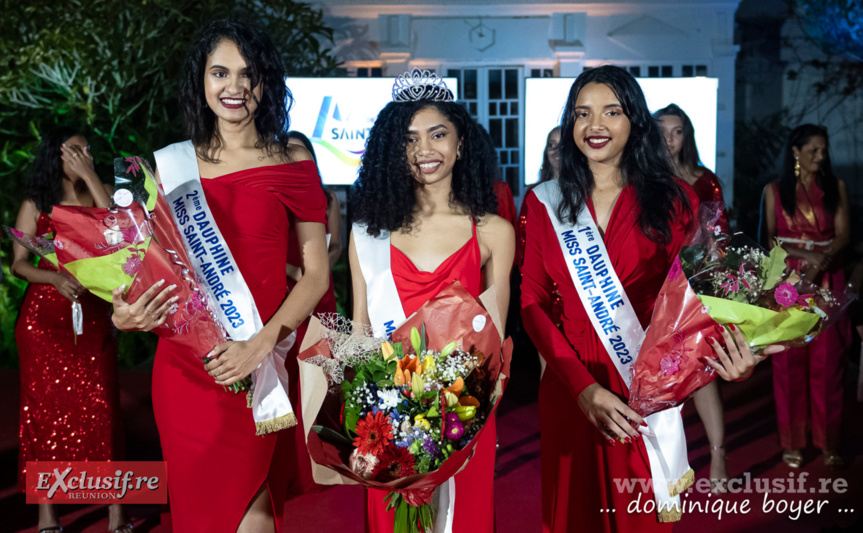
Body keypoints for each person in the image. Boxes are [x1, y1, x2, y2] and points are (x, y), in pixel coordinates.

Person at [520, 65, 771, 533]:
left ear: (634, 120)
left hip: (646, 391)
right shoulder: (543, 203)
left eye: (611, 111)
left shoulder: (676, 200)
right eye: (582, 113)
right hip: (573, 391)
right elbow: (532, 302)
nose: (594, 125)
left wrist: (740, 353)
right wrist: (582, 388)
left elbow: (704, 299)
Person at [109, 19, 330, 532]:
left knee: (251, 510)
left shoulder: (292, 161)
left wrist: (261, 344)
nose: (235, 87)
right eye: (220, 73)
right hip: (187, 367)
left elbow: (315, 275)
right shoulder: (166, 168)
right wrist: (125, 313)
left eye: (248, 74)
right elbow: (139, 271)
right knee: (199, 514)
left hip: (257, 361)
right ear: (201, 81)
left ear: (266, 82)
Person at [348, 69, 514, 533]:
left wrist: (472, 403)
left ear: (461, 143)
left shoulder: (493, 232)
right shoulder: (367, 232)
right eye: (410, 139)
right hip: (385, 411)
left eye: (438, 135)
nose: (425, 150)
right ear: (392, 150)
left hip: (464, 411)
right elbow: (361, 330)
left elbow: (495, 336)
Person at [11, 127, 132, 533]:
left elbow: (119, 234)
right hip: (44, 322)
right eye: (76, 151)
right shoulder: (37, 202)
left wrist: (94, 178)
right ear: (57, 155)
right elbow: (19, 263)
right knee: (43, 414)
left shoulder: (103, 192)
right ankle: (48, 512)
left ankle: (117, 512)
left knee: (104, 411)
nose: (86, 156)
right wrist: (54, 278)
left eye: (89, 150)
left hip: (94, 315)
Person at [760, 124, 851, 468]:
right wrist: (806, 256)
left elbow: (843, 234)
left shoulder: (836, 187)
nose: (821, 156)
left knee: (828, 362)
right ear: (796, 151)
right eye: (813, 149)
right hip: (789, 281)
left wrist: (822, 259)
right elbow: (769, 239)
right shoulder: (774, 190)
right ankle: (793, 440)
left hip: (828, 280)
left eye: (824, 150)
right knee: (788, 363)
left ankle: (829, 440)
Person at [655, 103, 729, 493]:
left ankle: (717, 454)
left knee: (702, 375)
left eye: (677, 130)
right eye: (662, 130)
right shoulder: (640, 179)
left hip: (695, 289)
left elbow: (720, 237)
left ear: (688, 136)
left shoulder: (705, 181)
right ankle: (663, 460)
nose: (669, 138)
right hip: (650, 290)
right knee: (657, 374)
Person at [282, 130, 340, 496]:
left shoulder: (328, 197)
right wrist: (293, 273)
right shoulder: (275, 195)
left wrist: (318, 271)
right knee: (289, 376)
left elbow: (334, 248)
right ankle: (292, 465)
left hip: (322, 292)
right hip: (286, 291)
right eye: (288, 153)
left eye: (300, 153)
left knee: (322, 376)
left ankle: (325, 457)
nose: (295, 159)